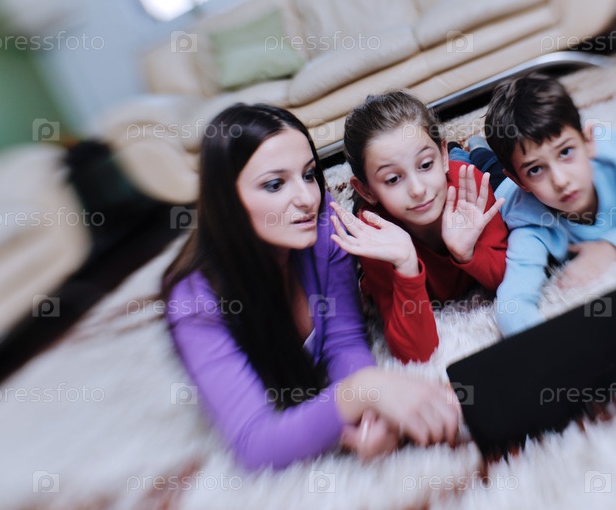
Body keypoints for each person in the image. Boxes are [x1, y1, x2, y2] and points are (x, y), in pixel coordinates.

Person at [162, 104, 460, 470]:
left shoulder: (324, 225)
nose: (307, 198)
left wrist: (371, 417)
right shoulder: (194, 303)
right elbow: (255, 443)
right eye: (275, 184)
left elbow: (344, 341)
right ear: (227, 200)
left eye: (308, 175)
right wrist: (363, 391)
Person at [481, 73, 616, 336]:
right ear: (520, 181)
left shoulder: (613, 154)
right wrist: (552, 346)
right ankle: (475, 150)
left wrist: (610, 248)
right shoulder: (530, 224)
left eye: (565, 152)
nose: (561, 181)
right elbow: (511, 305)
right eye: (536, 169)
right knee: (482, 164)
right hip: (500, 187)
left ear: (588, 141)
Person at [332, 91, 508, 363]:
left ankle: (471, 148)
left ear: (441, 156)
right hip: (386, 211)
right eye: (393, 179)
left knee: (491, 169)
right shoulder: (375, 235)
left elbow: (510, 278)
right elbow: (415, 351)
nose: (417, 189)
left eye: (425, 164)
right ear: (366, 190)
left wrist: (467, 254)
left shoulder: (469, 188)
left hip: (458, 172)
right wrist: (406, 265)